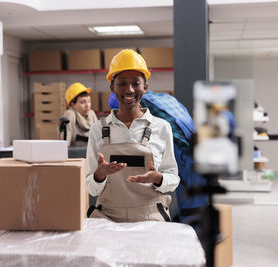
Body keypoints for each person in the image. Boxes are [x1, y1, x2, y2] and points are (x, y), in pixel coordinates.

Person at [85, 49, 180, 222]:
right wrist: (99, 174)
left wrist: (158, 178)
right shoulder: (98, 129)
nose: (129, 89)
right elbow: (90, 188)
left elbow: (173, 178)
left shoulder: (161, 127)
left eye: (136, 83)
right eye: (122, 83)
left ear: (145, 87)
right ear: (112, 87)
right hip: (108, 217)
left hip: (151, 217)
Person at [109, 90, 208, 225]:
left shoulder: (145, 107)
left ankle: (194, 235)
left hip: (182, 149)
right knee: (198, 193)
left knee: (189, 198)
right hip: (197, 144)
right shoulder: (163, 97)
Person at [61, 82, 98, 146]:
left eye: (89, 101)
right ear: (73, 105)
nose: (87, 105)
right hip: (74, 154)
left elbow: (99, 139)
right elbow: (65, 143)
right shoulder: (70, 115)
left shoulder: (92, 114)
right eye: (82, 102)